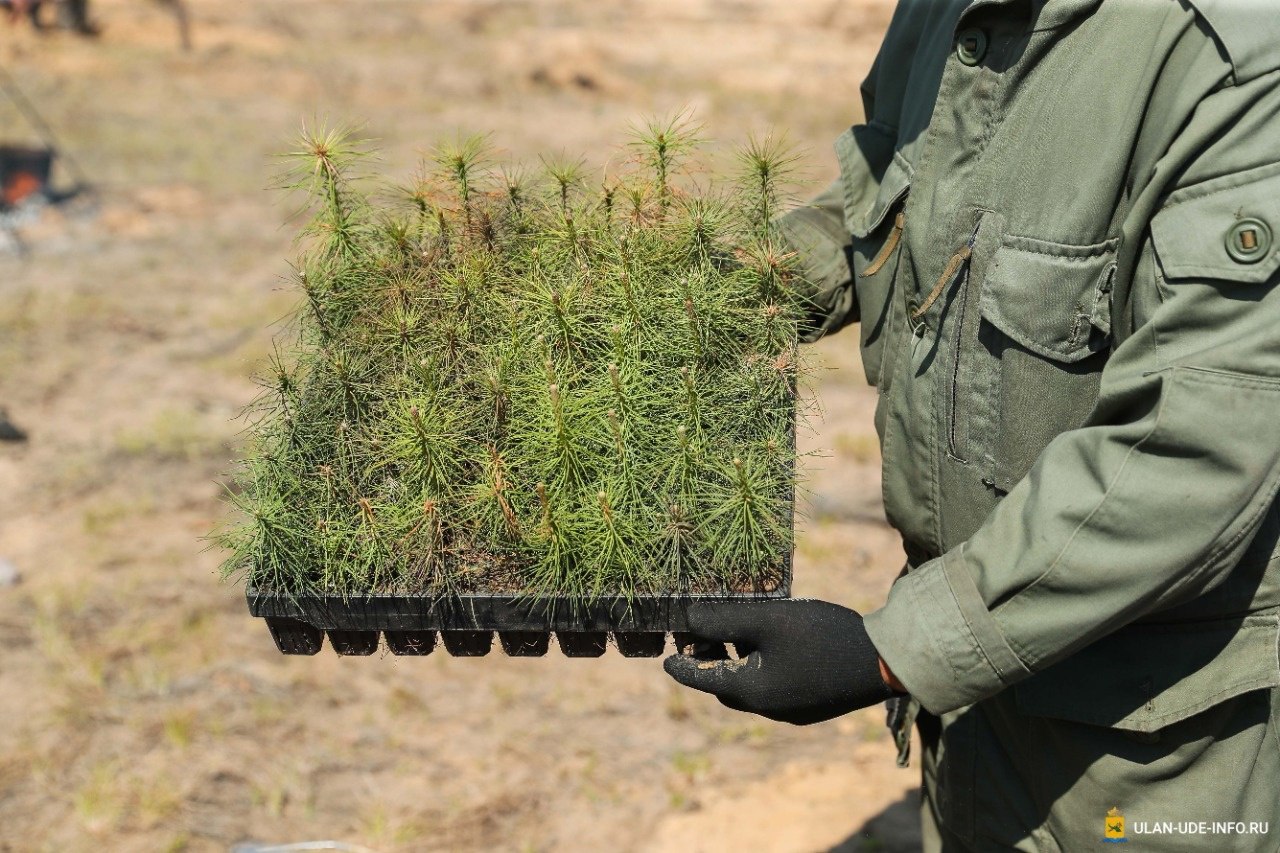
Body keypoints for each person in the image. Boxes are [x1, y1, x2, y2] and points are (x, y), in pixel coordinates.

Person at [664, 1, 1280, 850]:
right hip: (972, 715)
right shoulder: (950, 11)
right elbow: (894, 189)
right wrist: (729, 288)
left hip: (1147, 752)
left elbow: (1195, 451)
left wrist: (887, 652)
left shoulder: (1235, 66)